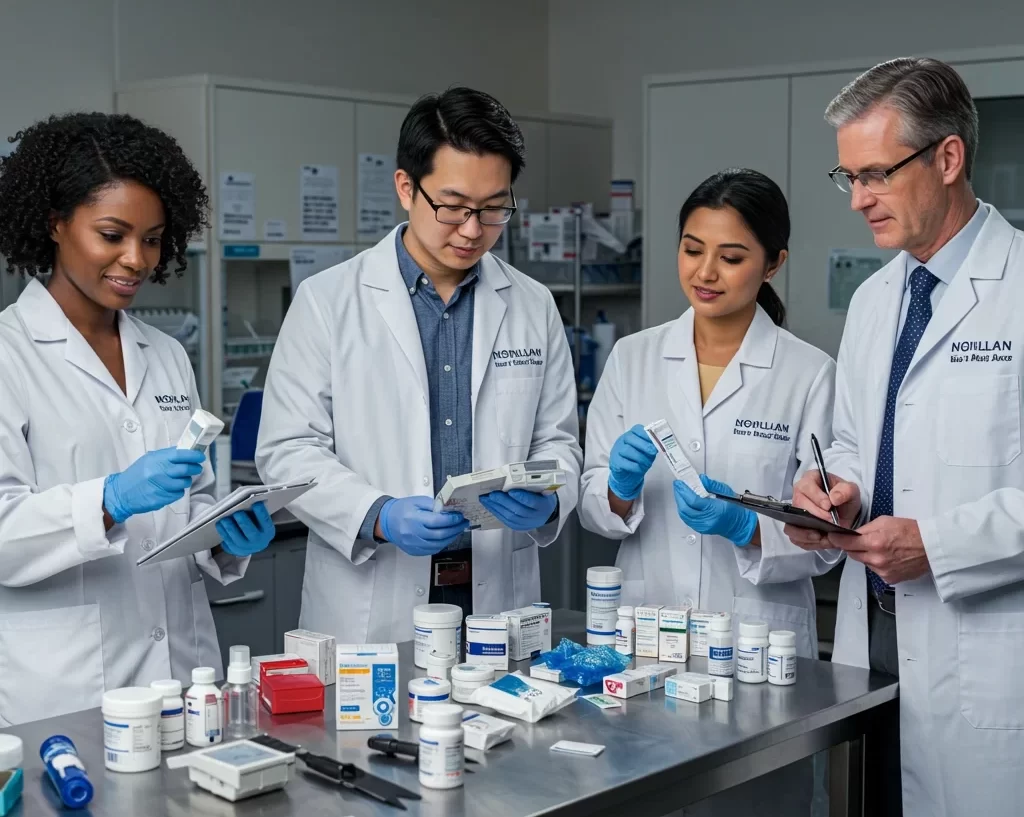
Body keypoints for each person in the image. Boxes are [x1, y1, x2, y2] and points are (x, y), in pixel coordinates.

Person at [786, 57, 1024, 817]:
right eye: (848, 177)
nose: (858, 199)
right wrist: (837, 493)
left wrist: (938, 545)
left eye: (876, 175)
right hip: (874, 638)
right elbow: (854, 442)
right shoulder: (874, 299)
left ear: (947, 158)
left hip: (984, 647)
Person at [256, 87, 581, 641]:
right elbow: (287, 450)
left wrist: (549, 502)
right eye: (453, 206)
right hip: (372, 599)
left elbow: (558, 441)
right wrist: (376, 514)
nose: (473, 229)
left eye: (494, 208)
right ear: (406, 188)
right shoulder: (328, 301)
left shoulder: (532, 304)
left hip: (495, 593)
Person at [0, 113, 276, 726]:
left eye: (151, 239)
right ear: (54, 222)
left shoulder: (167, 354)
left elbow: (192, 499)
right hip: (66, 687)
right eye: (112, 234)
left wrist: (224, 534)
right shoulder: (8, 355)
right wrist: (110, 500)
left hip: (182, 668)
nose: (136, 259)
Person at [579, 168, 838, 815]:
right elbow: (592, 505)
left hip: (759, 643)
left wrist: (747, 528)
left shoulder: (810, 374)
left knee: (756, 800)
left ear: (774, 263)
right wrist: (618, 488)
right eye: (692, 249)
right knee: (643, 793)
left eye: (732, 256)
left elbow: (832, 535)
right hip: (645, 639)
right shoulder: (633, 358)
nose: (706, 272)